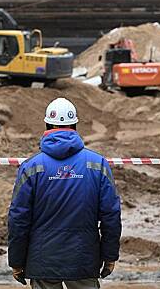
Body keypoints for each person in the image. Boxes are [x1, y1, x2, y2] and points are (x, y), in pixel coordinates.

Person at [8, 97, 122, 289]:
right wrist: (110, 256)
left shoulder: (31, 167)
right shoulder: (96, 164)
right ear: (75, 125)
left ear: (46, 124)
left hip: (43, 260)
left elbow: (18, 218)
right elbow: (111, 215)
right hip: (83, 260)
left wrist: (17, 261)